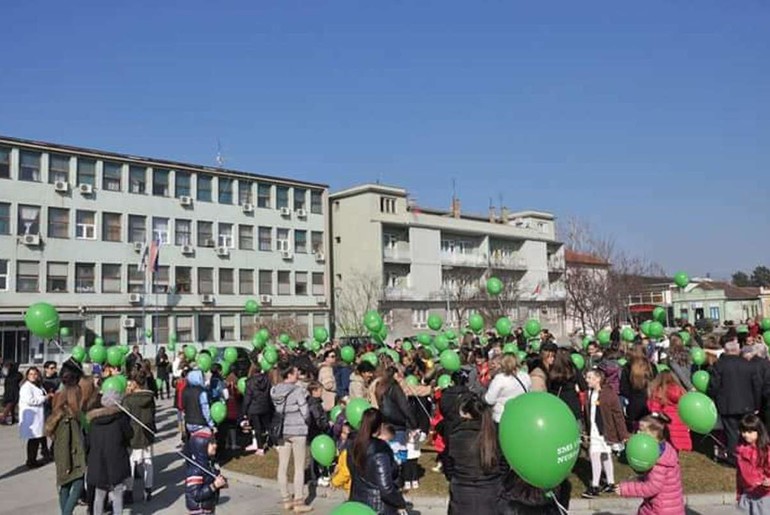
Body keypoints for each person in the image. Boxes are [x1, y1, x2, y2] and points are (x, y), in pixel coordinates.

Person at [444, 395, 503, 513]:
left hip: (462, 492)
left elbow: (448, 465)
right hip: (491, 491)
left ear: (466, 414)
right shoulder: (496, 435)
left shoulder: (455, 435)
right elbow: (504, 464)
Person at [617, 413, 685, 515]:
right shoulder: (664, 449)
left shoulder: (659, 461)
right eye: (638, 430)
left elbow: (652, 487)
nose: (638, 433)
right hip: (665, 507)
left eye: (642, 431)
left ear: (655, 434)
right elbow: (656, 480)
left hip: (660, 510)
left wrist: (626, 489)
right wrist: (641, 478)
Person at [708, 340, 762, 466]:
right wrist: (757, 404)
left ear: (726, 351)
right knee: (748, 431)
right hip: (747, 404)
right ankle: (749, 456)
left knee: (731, 433)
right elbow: (756, 385)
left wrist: (712, 397)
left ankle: (734, 459)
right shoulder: (748, 364)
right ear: (737, 351)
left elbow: (714, 386)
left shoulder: (719, 365)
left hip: (727, 405)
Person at [347, 408, 407, 514]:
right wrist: (400, 503)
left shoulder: (354, 445)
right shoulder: (380, 450)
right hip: (378, 507)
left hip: (357, 501)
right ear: (380, 426)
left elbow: (353, 473)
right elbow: (386, 489)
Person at [271, 362, 312, 513]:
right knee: (299, 468)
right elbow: (305, 411)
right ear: (289, 375)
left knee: (282, 466)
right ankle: (299, 502)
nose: (297, 375)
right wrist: (307, 422)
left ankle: (286, 499)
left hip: (282, 431)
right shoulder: (297, 391)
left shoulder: (274, 390)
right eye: (295, 373)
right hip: (298, 430)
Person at [583, 368, 628, 499]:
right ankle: (610, 483)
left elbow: (618, 415)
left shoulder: (608, 394)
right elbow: (588, 413)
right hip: (594, 430)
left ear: (598, 379)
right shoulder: (589, 393)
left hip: (605, 431)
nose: (587, 380)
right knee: (600, 455)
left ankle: (596, 486)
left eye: (590, 377)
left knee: (600, 455)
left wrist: (623, 434)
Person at [86, 390, 133, 515]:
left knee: (99, 493)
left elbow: (88, 442)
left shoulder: (93, 421)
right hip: (116, 459)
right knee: (117, 493)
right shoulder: (121, 419)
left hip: (98, 461)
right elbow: (129, 435)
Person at [46, 382, 86, 515]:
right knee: (77, 485)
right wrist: (66, 464)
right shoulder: (66, 419)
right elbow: (63, 444)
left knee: (65, 487)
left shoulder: (72, 414)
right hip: (70, 459)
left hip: (71, 457)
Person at [123, 370, 157, 503]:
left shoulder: (128, 399)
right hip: (147, 433)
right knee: (148, 463)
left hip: (133, 435)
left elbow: (124, 418)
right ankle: (148, 490)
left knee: (131, 463)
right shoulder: (150, 397)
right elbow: (153, 414)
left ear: (135, 383)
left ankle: (129, 492)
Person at [184, 431, 229, 514]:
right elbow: (196, 495)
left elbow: (211, 480)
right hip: (200, 510)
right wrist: (214, 486)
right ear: (201, 446)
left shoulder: (209, 464)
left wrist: (221, 482)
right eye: (211, 443)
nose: (215, 445)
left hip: (209, 507)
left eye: (215, 442)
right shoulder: (195, 470)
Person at [647, 371, 691, 452]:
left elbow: (654, 410)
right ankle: (673, 462)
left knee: (664, 448)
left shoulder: (658, 391)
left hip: (666, 422)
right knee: (676, 449)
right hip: (680, 422)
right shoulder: (680, 391)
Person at [19, 366, 52, 468]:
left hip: (37, 416)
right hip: (31, 417)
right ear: (27, 375)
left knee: (36, 439)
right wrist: (44, 398)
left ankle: (33, 459)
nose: (33, 376)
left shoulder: (38, 385)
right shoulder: (26, 387)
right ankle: (31, 461)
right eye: (31, 374)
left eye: (35, 374)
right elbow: (30, 400)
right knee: (33, 440)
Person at [736, 414, 770, 513]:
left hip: (764, 496)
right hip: (747, 494)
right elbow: (739, 475)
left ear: (759, 431)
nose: (746, 434)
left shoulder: (765, 451)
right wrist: (739, 493)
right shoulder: (740, 450)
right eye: (743, 431)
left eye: (750, 432)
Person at [484, 354, 530, 424]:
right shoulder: (525, 376)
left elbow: (490, 400)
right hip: (520, 416)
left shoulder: (500, 378)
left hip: (501, 417)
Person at [241, 364, 274, 455]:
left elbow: (247, 398)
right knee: (268, 426)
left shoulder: (250, 382)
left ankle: (260, 447)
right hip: (265, 406)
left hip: (254, 408)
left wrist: (244, 411)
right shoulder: (267, 380)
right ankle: (275, 443)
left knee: (257, 428)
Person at [548, 348, 586, 421]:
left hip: (556, 404)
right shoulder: (573, 369)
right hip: (572, 404)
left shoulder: (551, 370)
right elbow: (583, 386)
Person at [621, 354, 656, 432]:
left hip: (633, 404)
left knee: (634, 431)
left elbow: (623, 389)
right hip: (648, 403)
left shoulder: (627, 367)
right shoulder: (651, 366)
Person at [307, 381, 331, 487]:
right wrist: (326, 425)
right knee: (315, 455)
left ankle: (319, 475)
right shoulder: (314, 405)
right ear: (314, 391)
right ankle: (315, 477)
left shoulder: (315, 403)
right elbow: (318, 420)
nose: (322, 393)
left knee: (316, 454)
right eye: (320, 390)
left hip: (316, 432)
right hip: (316, 432)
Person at [183, 369, 216, 436]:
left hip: (189, 423)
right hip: (201, 423)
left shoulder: (185, 391)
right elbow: (205, 410)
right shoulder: (202, 392)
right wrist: (211, 424)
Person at [2, 361, 23, 425]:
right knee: (10, 405)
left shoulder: (9, 375)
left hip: (9, 392)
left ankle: (13, 418)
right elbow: (20, 379)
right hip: (13, 392)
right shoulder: (16, 375)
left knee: (12, 406)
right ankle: (3, 418)